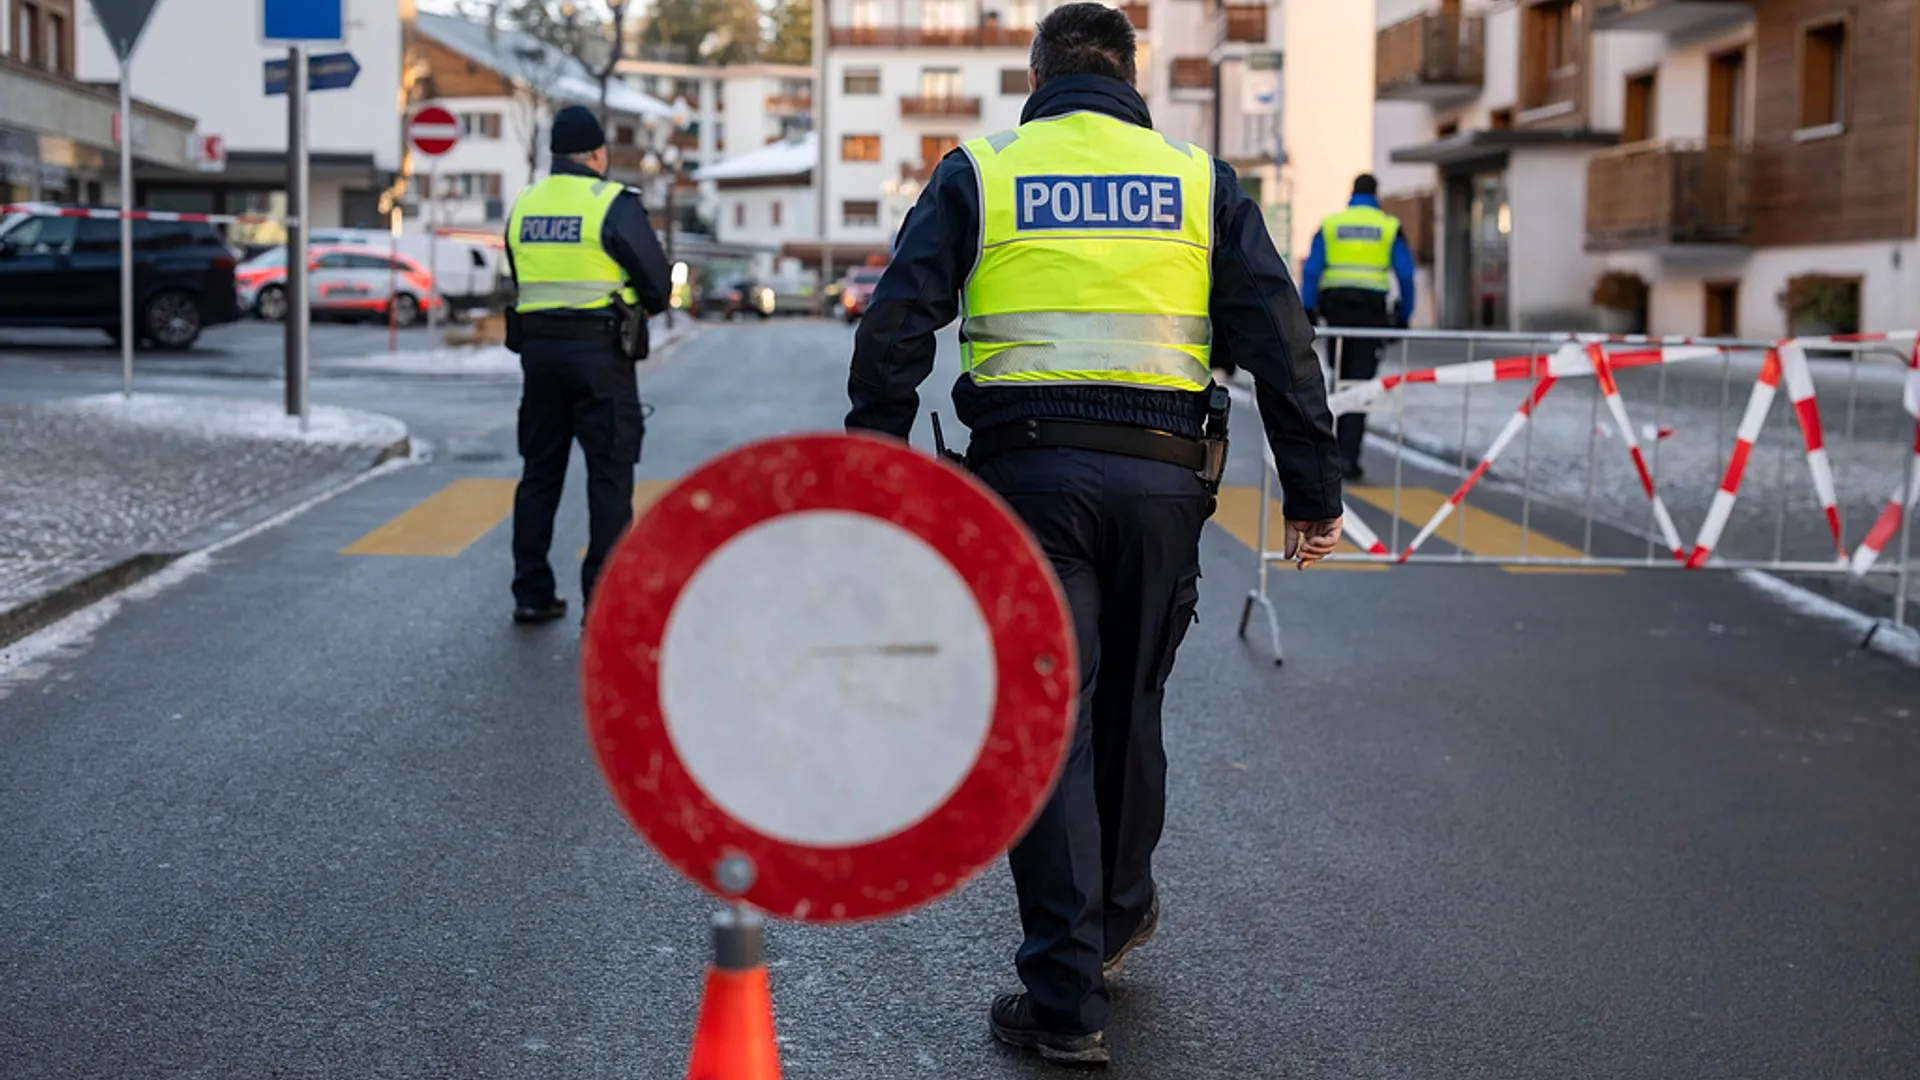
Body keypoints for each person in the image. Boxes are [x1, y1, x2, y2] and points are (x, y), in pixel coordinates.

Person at [842, 3, 1344, 1066]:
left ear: (1038, 76)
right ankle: (1112, 920)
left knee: (1048, 719)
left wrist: (878, 463)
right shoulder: (1198, 181)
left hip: (1027, 481)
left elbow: (897, 322)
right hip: (1165, 481)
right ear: (1130, 75)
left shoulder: (983, 171)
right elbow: (1278, 333)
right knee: (1131, 702)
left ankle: (1067, 998)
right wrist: (1312, 488)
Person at [502, 105, 671, 625]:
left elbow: (520, 277)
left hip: (539, 356)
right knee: (610, 477)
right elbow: (658, 286)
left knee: (539, 474)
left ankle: (531, 592)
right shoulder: (612, 203)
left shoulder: (525, 203)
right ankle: (601, 602)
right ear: (597, 154)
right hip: (601, 356)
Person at [1299, 173, 1417, 481]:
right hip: (1370, 315)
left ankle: (1328, 455)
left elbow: (1311, 270)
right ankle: (1348, 458)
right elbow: (1406, 275)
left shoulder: (1331, 225)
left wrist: (1307, 310)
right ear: (1376, 195)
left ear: (1351, 194)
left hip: (1336, 312)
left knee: (1339, 379)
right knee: (1361, 385)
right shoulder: (1388, 227)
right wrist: (1403, 317)